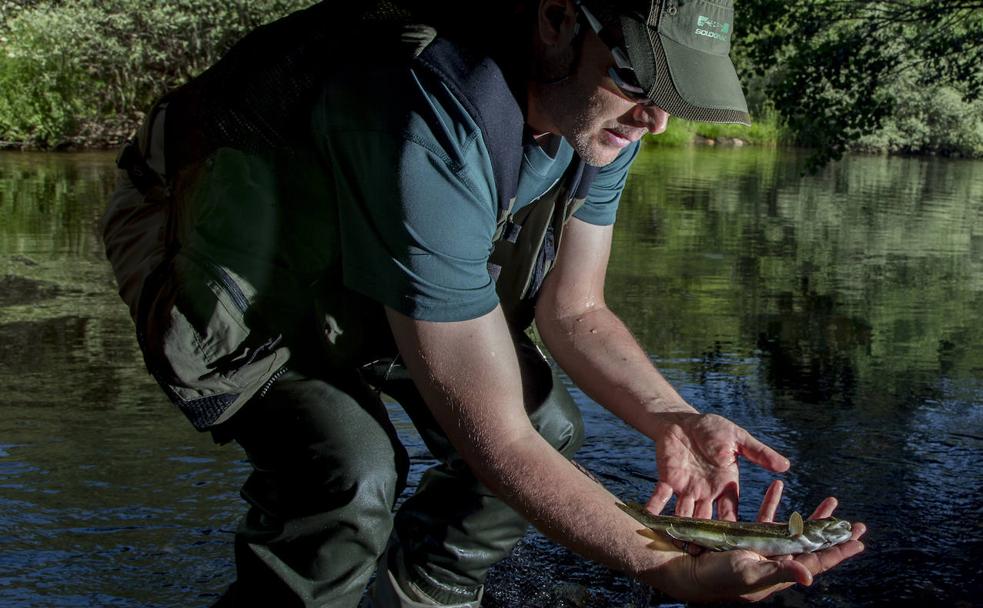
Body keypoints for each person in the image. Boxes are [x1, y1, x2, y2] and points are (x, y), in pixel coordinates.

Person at [101, 1, 865, 606]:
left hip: (369, 225)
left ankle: (426, 594)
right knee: (347, 478)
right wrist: (660, 567)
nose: (654, 120)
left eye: (671, 94)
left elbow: (575, 312)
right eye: (638, 80)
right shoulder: (424, 101)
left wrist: (670, 415)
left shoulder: (597, 115)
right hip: (215, 226)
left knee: (548, 423)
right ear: (559, 17)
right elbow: (492, 436)